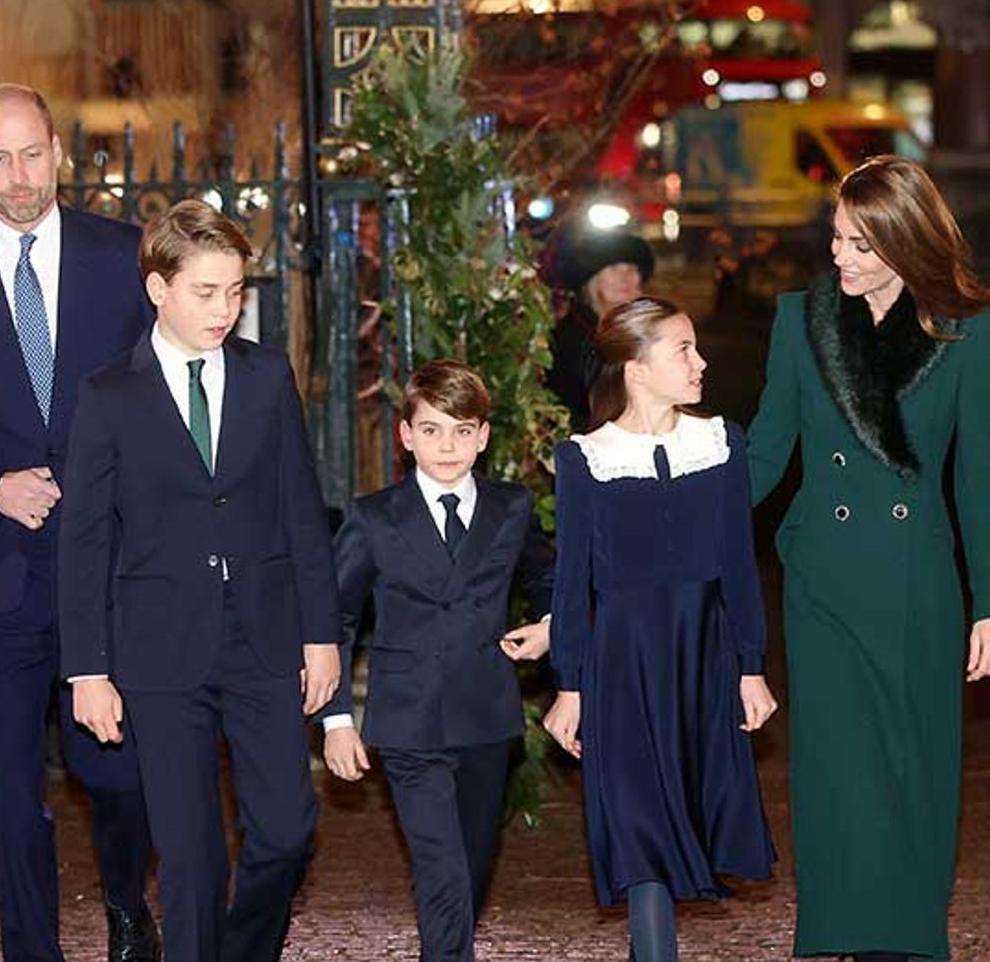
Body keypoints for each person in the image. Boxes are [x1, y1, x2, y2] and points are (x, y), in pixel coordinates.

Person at [0, 84, 157, 962]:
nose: (19, 177)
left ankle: (126, 903)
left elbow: (166, 403)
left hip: (111, 571)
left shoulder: (125, 259)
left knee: (115, 776)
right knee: (10, 796)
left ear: (58, 151)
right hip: (0, 572)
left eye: (31, 154)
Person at [58, 199, 341, 962]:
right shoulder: (108, 394)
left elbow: (300, 511)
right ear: (158, 288)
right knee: (189, 858)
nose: (225, 309)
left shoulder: (266, 376)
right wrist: (88, 669)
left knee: (287, 831)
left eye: (236, 292)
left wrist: (322, 634)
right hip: (157, 649)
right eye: (206, 292)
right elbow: (84, 540)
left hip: (263, 637)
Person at [747, 154, 990, 961]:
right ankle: (847, 935)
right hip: (823, 582)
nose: (840, 256)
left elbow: (980, 479)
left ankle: (909, 940)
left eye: (861, 244)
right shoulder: (801, 320)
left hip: (919, 583)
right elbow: (766, 454)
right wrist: (667, 504)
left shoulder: (969, 333)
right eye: (837, 238)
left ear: (907, 243)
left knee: (916, 772)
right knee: (837, 776)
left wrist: (989, 601)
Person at [544, 297, 777, 962]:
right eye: (683, 349)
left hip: (704, 656)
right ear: (637, 369)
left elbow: (739, 565)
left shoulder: (721, 443)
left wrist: (751, 667)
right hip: (621, 662)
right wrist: (569, 684)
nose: (700, 363)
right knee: (639, 824)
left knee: (694, 808)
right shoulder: (585, 458)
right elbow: (572, 580)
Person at [319, 359, 553, 962]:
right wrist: (336, 719)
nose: (447, 446)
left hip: (485, 714)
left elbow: (548, 576)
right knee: (440, 868)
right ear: (406, 436)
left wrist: (550, 625)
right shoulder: (373, 517)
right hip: (408, 720)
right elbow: (335, 619)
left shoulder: (511, 508)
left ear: (482, 436)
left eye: (461, 431)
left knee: (471, 867)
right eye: (431, 430)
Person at [547, 226, 656, 429]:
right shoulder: (571, 335)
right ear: (593, 279)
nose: (624, 278)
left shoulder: (653, 328)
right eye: (614, 268)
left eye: (631, 269)